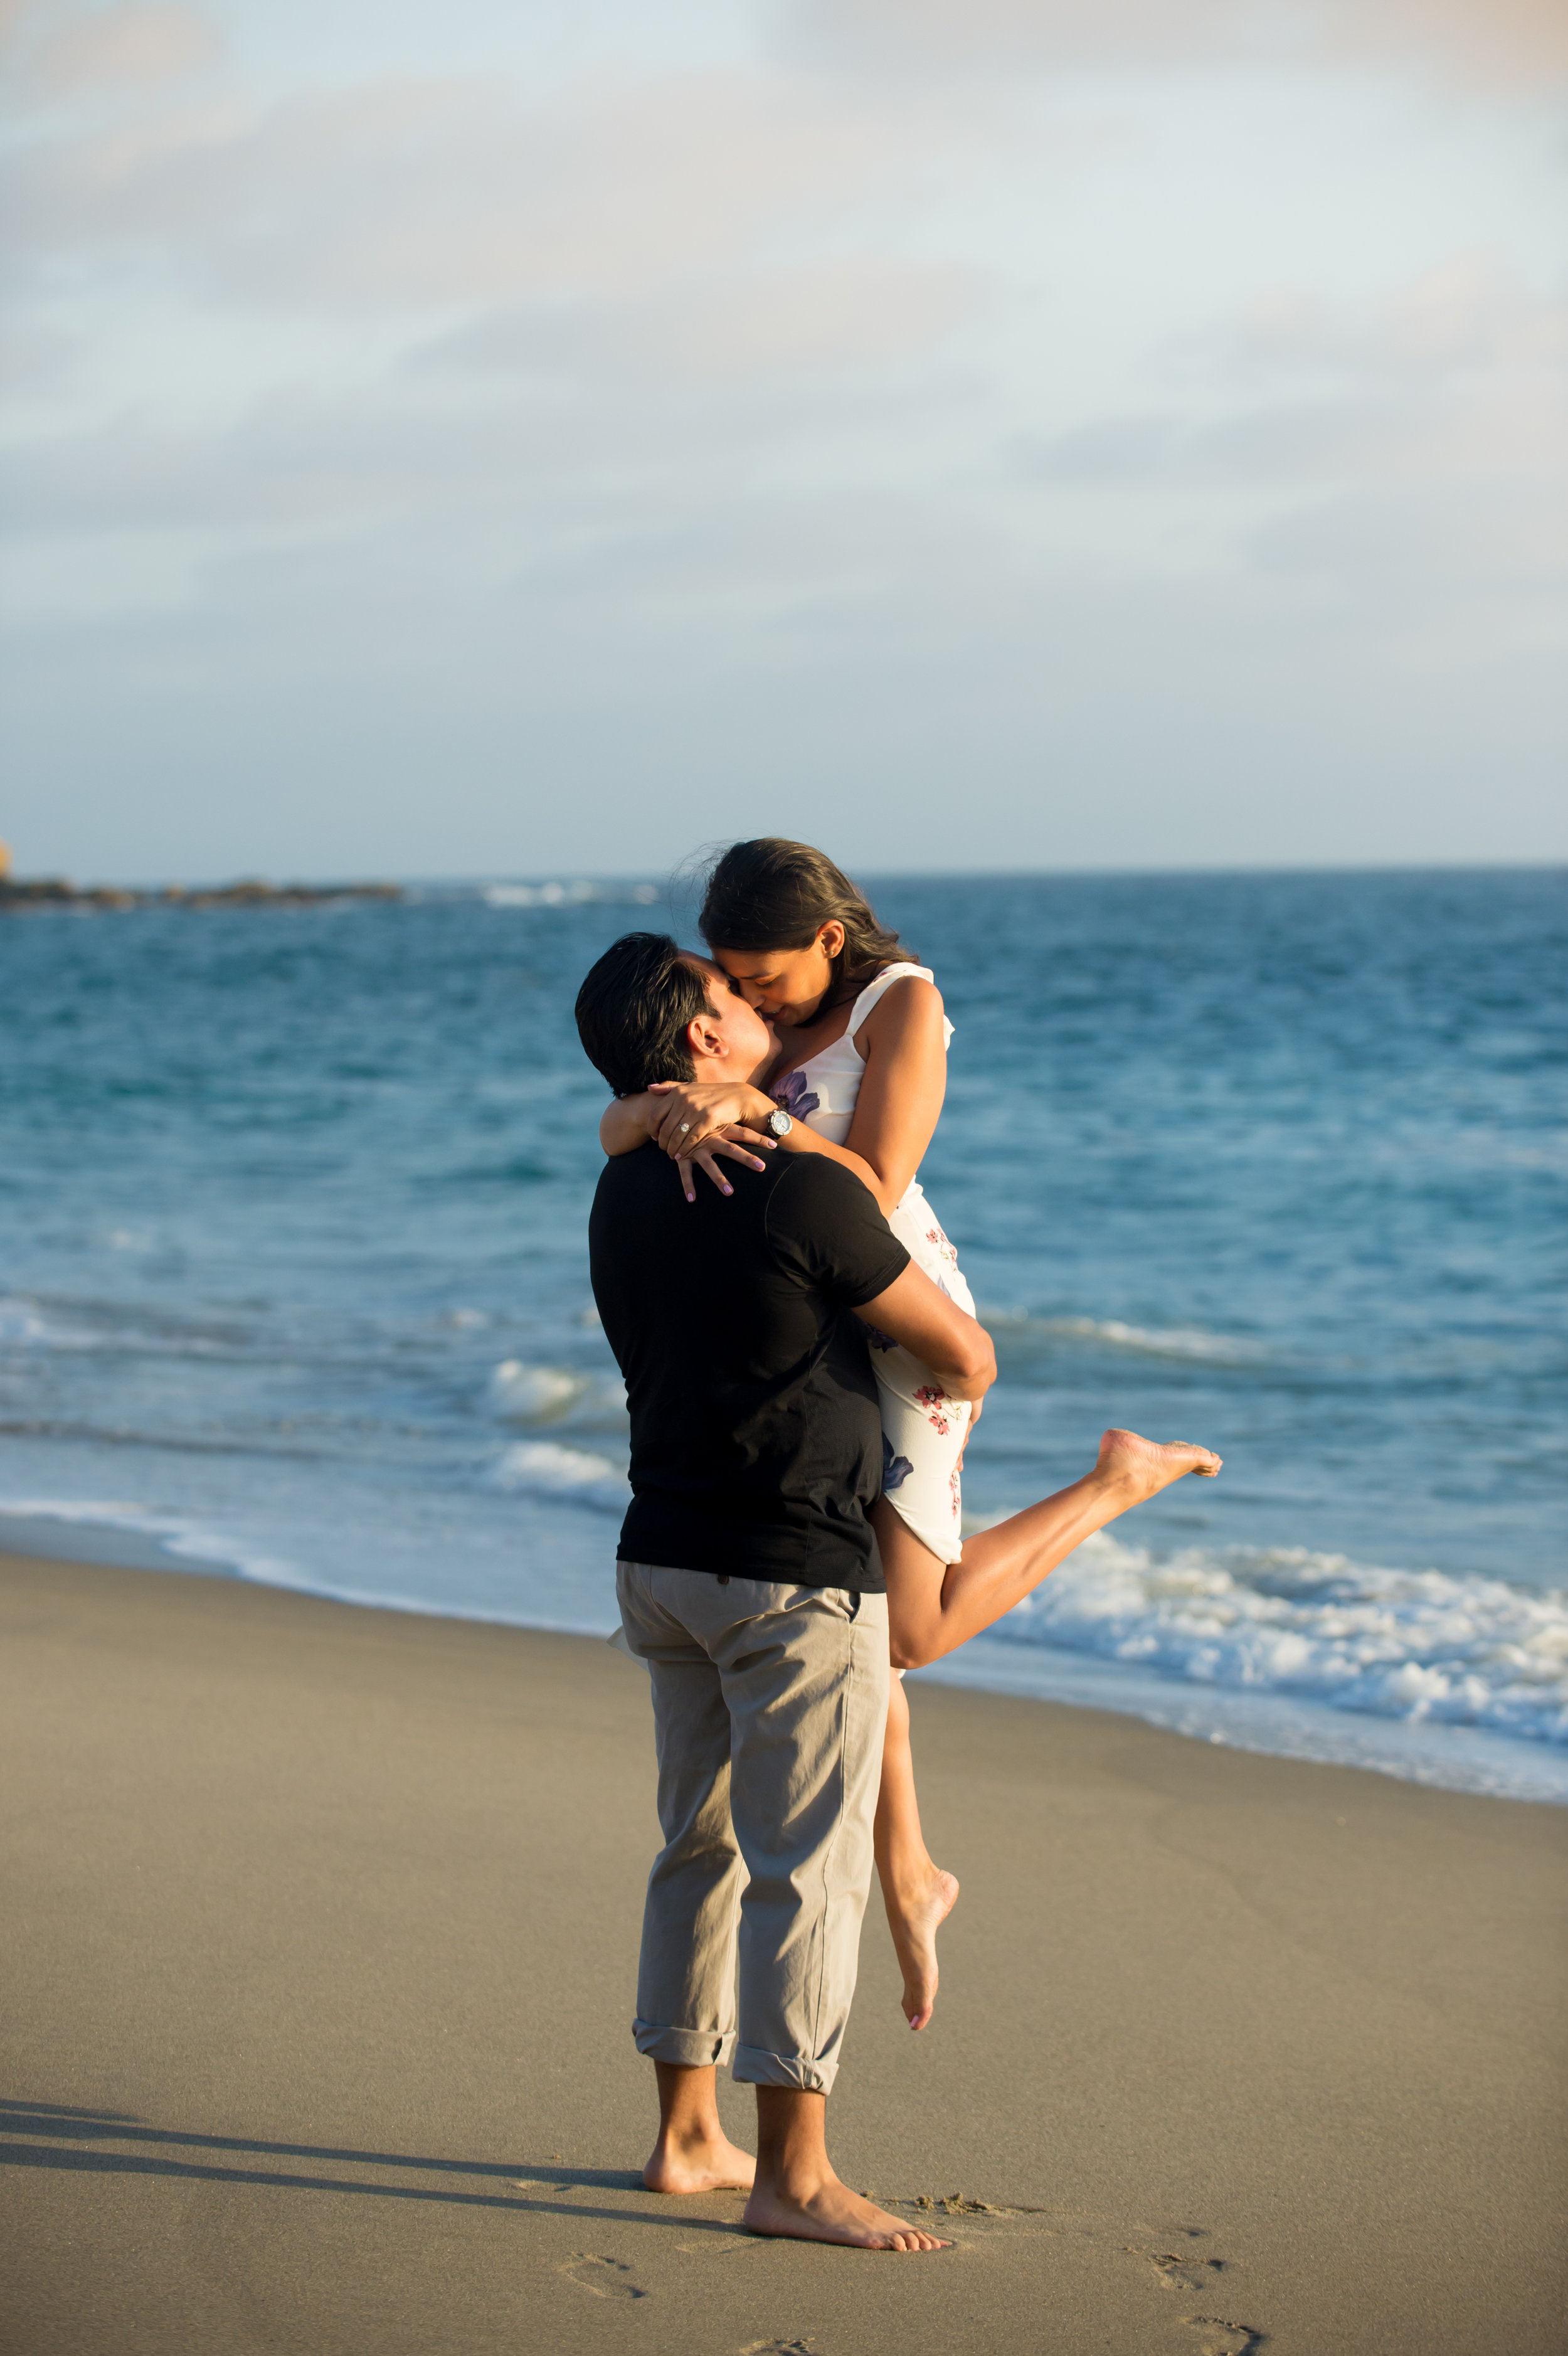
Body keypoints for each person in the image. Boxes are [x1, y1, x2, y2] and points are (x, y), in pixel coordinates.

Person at [578, 927, 1221, 2247]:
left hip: (658, 1561)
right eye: (731, 997)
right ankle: (793, 2179)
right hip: (788, 1577)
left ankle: (684, 2137)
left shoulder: (622, 1190)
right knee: (804, 1876)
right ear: (702, 1040)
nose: (757, 1008)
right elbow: (967, 1359)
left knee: (692, 1853)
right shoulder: (802, 1189)